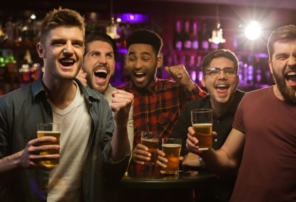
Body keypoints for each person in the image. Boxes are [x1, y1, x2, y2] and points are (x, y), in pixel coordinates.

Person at [0, 8, 131, 202]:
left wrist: (121, 125)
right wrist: (20, 160)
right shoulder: (8, 106)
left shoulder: (99, 105)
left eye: (76, 44)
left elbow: (112, 172)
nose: (69, 50)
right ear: (41, 50)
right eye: (59, 42)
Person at [186, 24, 296, 201]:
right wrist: (204, 149)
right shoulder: (250, 100)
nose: (292, 62)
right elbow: (227, 161)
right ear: (271, 66)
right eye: (282, 56)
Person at [158, 49, 245, 202]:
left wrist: (199, 160)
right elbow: (176, 150)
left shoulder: (248, 106)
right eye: (213, 71)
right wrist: (176, 159)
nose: (222, 76)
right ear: (203, 80)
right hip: (202, 196)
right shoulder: (193, 108)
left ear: (237, 79)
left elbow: (249, 161)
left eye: (229, 71)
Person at [118, 29, 207, 165]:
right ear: (126, 62)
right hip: (132, 182)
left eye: (145, 58)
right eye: (132, 58)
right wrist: (128, 154)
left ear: (158, 61)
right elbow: (105, 147)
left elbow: (208, 111)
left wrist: (189, 84)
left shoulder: (175, 90)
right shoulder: (119, 96)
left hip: (173, 181)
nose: (137, 65)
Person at [77, 31, 134, 150]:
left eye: (109, 55)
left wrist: (121, 124)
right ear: (81, 61)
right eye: (95, 54)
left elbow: (124, 160)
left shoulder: (121, 102)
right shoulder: (65, 94)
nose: (103, 61)